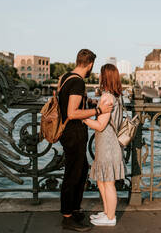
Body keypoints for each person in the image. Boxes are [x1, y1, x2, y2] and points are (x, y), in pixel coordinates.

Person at [59, 49, 113, 232]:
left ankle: (74, 209)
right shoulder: (77, 82)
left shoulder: (65, 77)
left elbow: (69, 102)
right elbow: (72, 113)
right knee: (73, 174)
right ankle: (67, 217)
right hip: (73, 134)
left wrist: (90, 103)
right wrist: (98, 111)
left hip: (67, 132)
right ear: (90, 64)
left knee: (80, 172)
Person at [83, 64, 125, 227]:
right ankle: (107, 212)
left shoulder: (107, 97)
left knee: (107, 182)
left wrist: (83, 118)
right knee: (102, 180)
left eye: (100, 74)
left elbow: (100, 125)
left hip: (108, 145)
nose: (99, 77)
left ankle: (110, 217)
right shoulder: (117, 96)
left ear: (104, 77)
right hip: (109, 143)